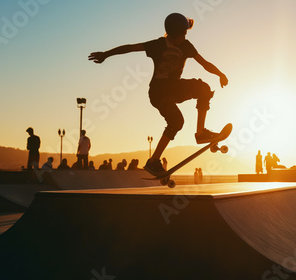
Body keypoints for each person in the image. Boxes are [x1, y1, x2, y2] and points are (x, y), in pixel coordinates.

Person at [88, 13, 228, 176]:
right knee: (177, 122)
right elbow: (130, 48)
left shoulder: (186, 46)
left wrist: (220, 74)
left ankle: (201, 133)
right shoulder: (157, 45)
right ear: (175, 33)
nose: (185, 36)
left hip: (175, 87)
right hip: (159, 93)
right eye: (183, 33)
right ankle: (154, 161)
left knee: (203, 88)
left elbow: (205, 64)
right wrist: (106, 54)